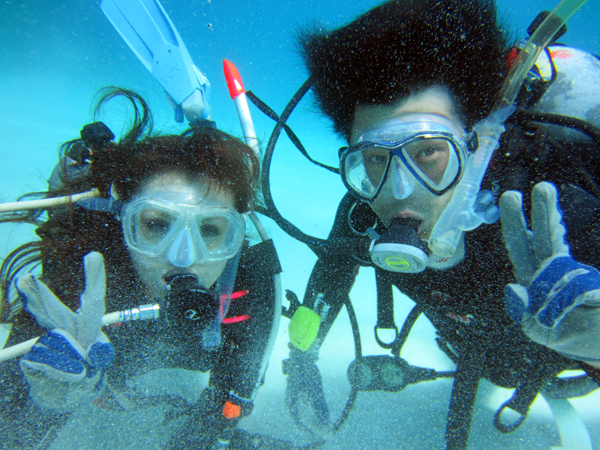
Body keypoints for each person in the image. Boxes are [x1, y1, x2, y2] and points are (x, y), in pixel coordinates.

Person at [281, 0, 600, 447]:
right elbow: (328, 280)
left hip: (560, 370)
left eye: (428, 151)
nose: (400, 191)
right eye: (375, 158)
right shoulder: (363, 211)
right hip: (472, 350)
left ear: (477, 143)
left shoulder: (554, 210)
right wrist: (302, 356)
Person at [0, 87, 281, 449]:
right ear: (124, 224)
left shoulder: (249, 282)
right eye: (156, 225)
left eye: (211, 230)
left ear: (234, 236)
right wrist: (46, 403)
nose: (183, 257)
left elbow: (233, 398)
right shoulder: (85, 283)